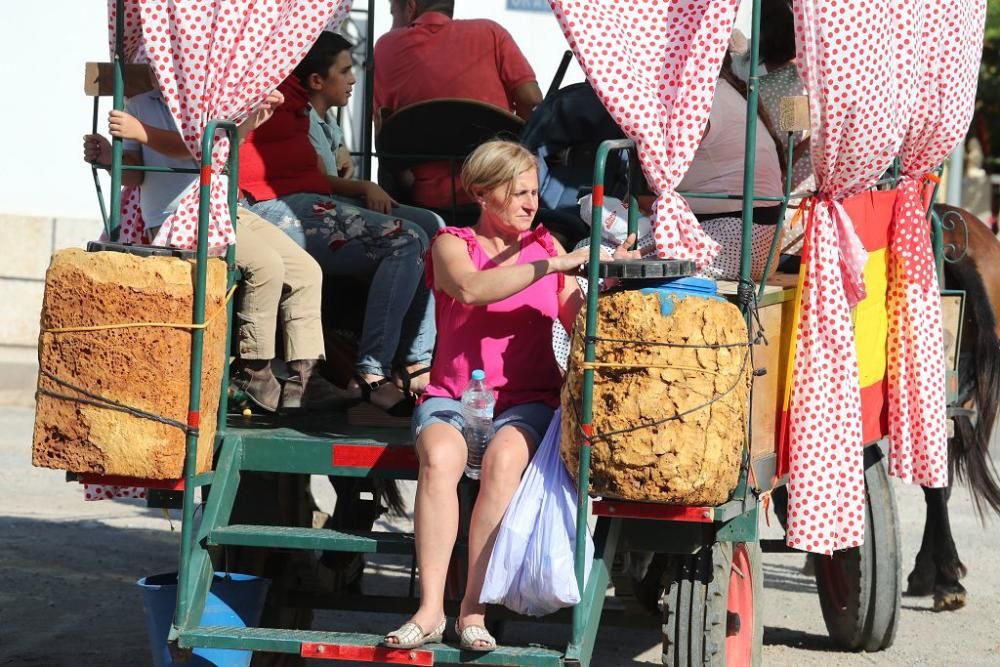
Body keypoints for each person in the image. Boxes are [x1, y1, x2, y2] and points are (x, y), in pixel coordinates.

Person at [383, 141, 636, 651]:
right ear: (480, 193)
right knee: (439, 456)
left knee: (503, 462)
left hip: (526, 401)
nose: (530, 203)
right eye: (516, 192)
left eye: (533, 192)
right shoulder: (453, 243)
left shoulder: (549, 249)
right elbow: (472, 289)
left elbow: (578, 321)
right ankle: (431, 608)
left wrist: (605, 278)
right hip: (455, 396)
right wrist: (558, 265)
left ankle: (473, 610)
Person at [83, 82, 347, 414]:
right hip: (178, 215)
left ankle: (304, 380)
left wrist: (254, 117)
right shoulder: (141, 105)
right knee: (266, 265)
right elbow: (159, 165)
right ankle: (254, 369)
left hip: (221, 207)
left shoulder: (208, 93)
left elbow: (220, 144)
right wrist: (111, 159)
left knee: (306, 270)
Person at [239, 36, 438, 423]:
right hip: (266, 208)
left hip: (300, 199)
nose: (353, 79)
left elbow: (312, 176)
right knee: (406, 239)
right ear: (315, 78)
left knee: (432, 229)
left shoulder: (295, 101)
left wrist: (360, 185)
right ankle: (370, 372)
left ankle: (413, 362)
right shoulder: (261, 91)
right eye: (346, 71)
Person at [373, 0, 543, 211]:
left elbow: (383, 127)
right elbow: (532, 99)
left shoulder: (386, 46)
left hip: (423, 202)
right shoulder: (491, 33)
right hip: (498, 193)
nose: (392, 24)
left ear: (411, 7)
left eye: (392, 14)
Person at [675, 54, 787, 281]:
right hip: (767, 236)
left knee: (593, 254)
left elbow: (653, 184)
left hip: (734, 236)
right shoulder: (729, 91)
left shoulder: (701, 96)